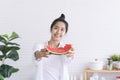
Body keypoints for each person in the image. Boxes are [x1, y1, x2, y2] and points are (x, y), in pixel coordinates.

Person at [33, 14, 75, 80]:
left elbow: (67, 61)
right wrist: (39, 54)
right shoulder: (40, 46)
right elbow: (36, 55)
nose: (58, 32)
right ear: (51, 29)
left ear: (65, 33)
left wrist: (70, 55)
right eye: (56, 28)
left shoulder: (66, 49)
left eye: (62, 30)